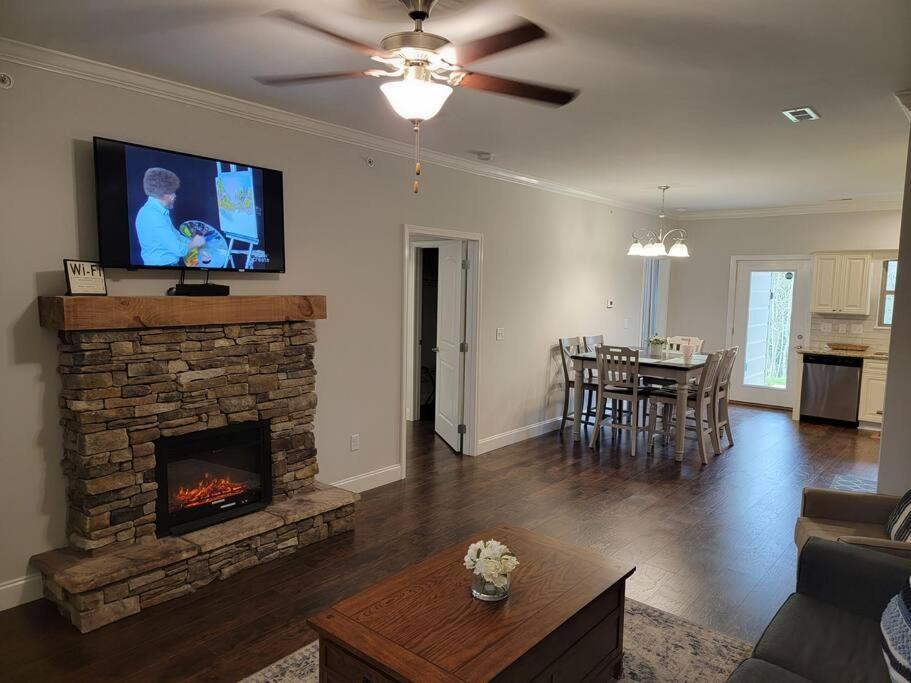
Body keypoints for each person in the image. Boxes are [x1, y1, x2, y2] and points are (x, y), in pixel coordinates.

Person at [135, 167, 205, 266]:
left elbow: (176, 236)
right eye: (172, 192)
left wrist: (194, 242)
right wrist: (195, 243)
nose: (175, 196)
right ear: (164, 194)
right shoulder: (153, 216)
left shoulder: (155, 211)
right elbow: (179, 250)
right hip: (161, 271)